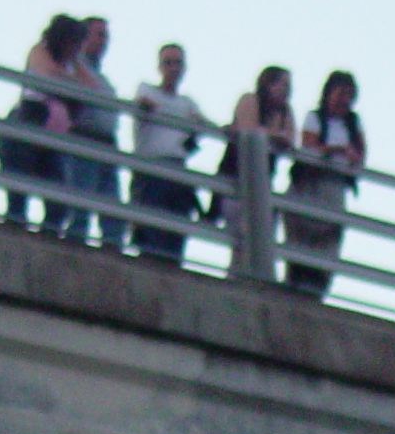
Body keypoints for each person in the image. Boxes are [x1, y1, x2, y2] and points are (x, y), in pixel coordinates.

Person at [282, 70, 364, 299]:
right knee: (299, 241)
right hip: (308, 184)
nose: (343, 100)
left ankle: (316, 289)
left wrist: (349, 157)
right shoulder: (314, 117)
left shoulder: (353, 124)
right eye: (340, 93)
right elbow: (309, 146)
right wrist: (336, 150)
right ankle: (294, 284)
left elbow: (359, 155)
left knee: (327, 242)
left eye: (349, 95)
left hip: (334, 188)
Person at [0, 13, 83, 230]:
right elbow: (47, 72)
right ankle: (15, 236)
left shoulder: (73, 63)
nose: (76, 48)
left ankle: (46, 238)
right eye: (73, 42)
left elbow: (94, 88)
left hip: (53, 134)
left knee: (59, 205)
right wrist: (74, 82)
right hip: (28, 121)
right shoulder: (40, 51)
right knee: (18, 196)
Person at [129, 42, 209, 264]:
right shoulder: (146, 89)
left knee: (176, 237)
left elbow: (205, 125)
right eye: (168, 62)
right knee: (150, 236)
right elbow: (141, 103)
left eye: (177, 63)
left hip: (178, 173)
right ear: (159, 66)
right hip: (151, 172)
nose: (173, 68)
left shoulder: (187, 103)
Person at [56, 16, 123, 245]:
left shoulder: (103, 78)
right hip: (83, 140)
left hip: (107, 145)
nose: (104, 42)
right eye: (100, 35)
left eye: (107, 36)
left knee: (113, 211)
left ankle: (113, 253)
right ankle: (74, 251)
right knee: (80, 208)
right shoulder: (73, 65)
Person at [219, 65, 294, 268]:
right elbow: (248, 131)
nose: (286, 89)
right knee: (241, 240)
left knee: (259, 238)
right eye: (282, 84)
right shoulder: (250, 100)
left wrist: (269, 134)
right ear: (268, 83)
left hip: (262, 183)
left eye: (289, 85)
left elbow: (289, 139)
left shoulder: (285, 112)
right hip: (236, 176)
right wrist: (273, 135)